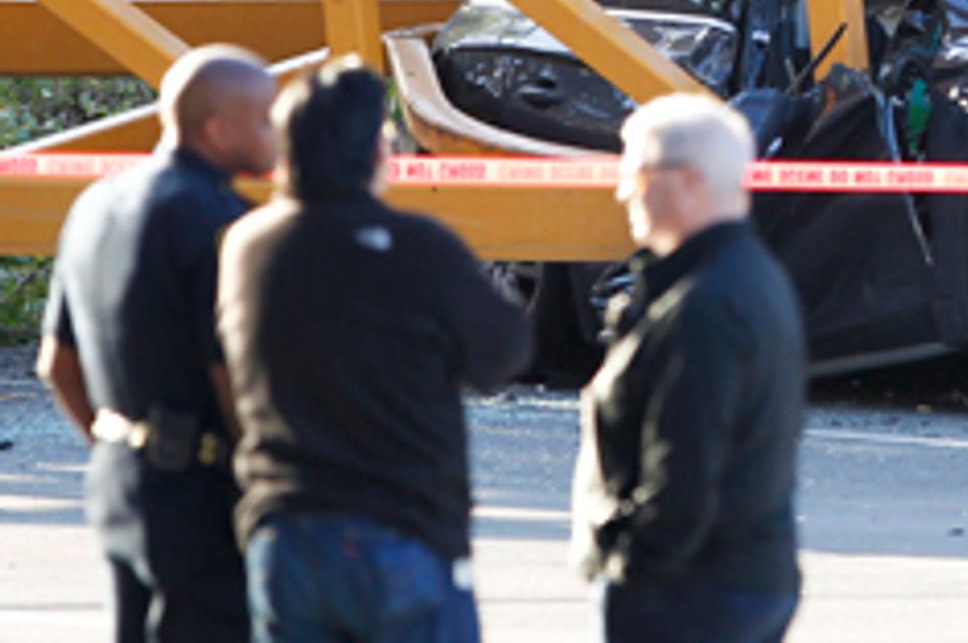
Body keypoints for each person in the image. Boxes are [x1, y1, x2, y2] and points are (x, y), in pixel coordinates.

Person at [217, 59, 530, 643]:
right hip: (401, 526)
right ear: (378, 154)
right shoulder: (421, 249)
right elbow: (502, 352)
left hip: (286, 527)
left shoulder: (248, 247)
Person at [38, 44, 278, 643]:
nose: (276, 133)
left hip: (121, 479)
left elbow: (56, 363)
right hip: (203, 494)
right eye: (264, 118)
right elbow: (232, 375)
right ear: (218, 129)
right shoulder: (221, 224)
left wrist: (116, 440)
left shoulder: (94, 204)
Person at [572, 95, 805, 643]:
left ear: (689, 181)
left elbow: (684, 472)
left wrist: (628, 564)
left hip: (692, 594)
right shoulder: (747, 280)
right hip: (734, 580)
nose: (623, 189)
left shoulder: (705, 307)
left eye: (637, 172)